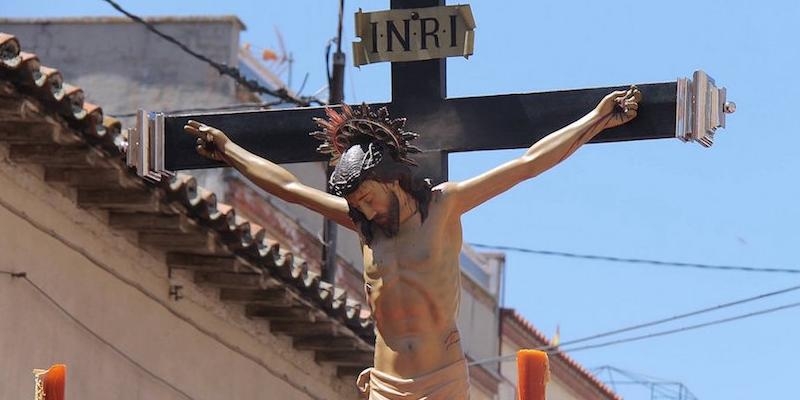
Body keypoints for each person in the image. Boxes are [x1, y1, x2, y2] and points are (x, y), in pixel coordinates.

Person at [184, 86, 641, 399]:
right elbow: (289, 187)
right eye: (356, 205)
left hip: (440, 381)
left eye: (367, 198)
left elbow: (527, 164)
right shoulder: (363, 226)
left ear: (391, 179)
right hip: (386, 383)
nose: (363, 211)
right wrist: (228, 150)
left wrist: (597, 119)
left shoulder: (444, 207)